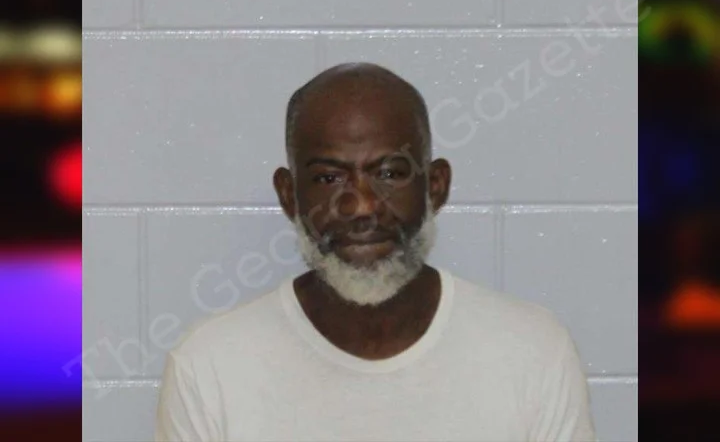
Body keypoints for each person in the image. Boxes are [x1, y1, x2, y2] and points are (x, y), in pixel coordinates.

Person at [154, 62, 597, 441]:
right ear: (289, 196)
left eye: (389, 173)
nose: (362, 206)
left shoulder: (533, 352)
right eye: (329, 178)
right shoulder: (209, 367)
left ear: (436, 187)